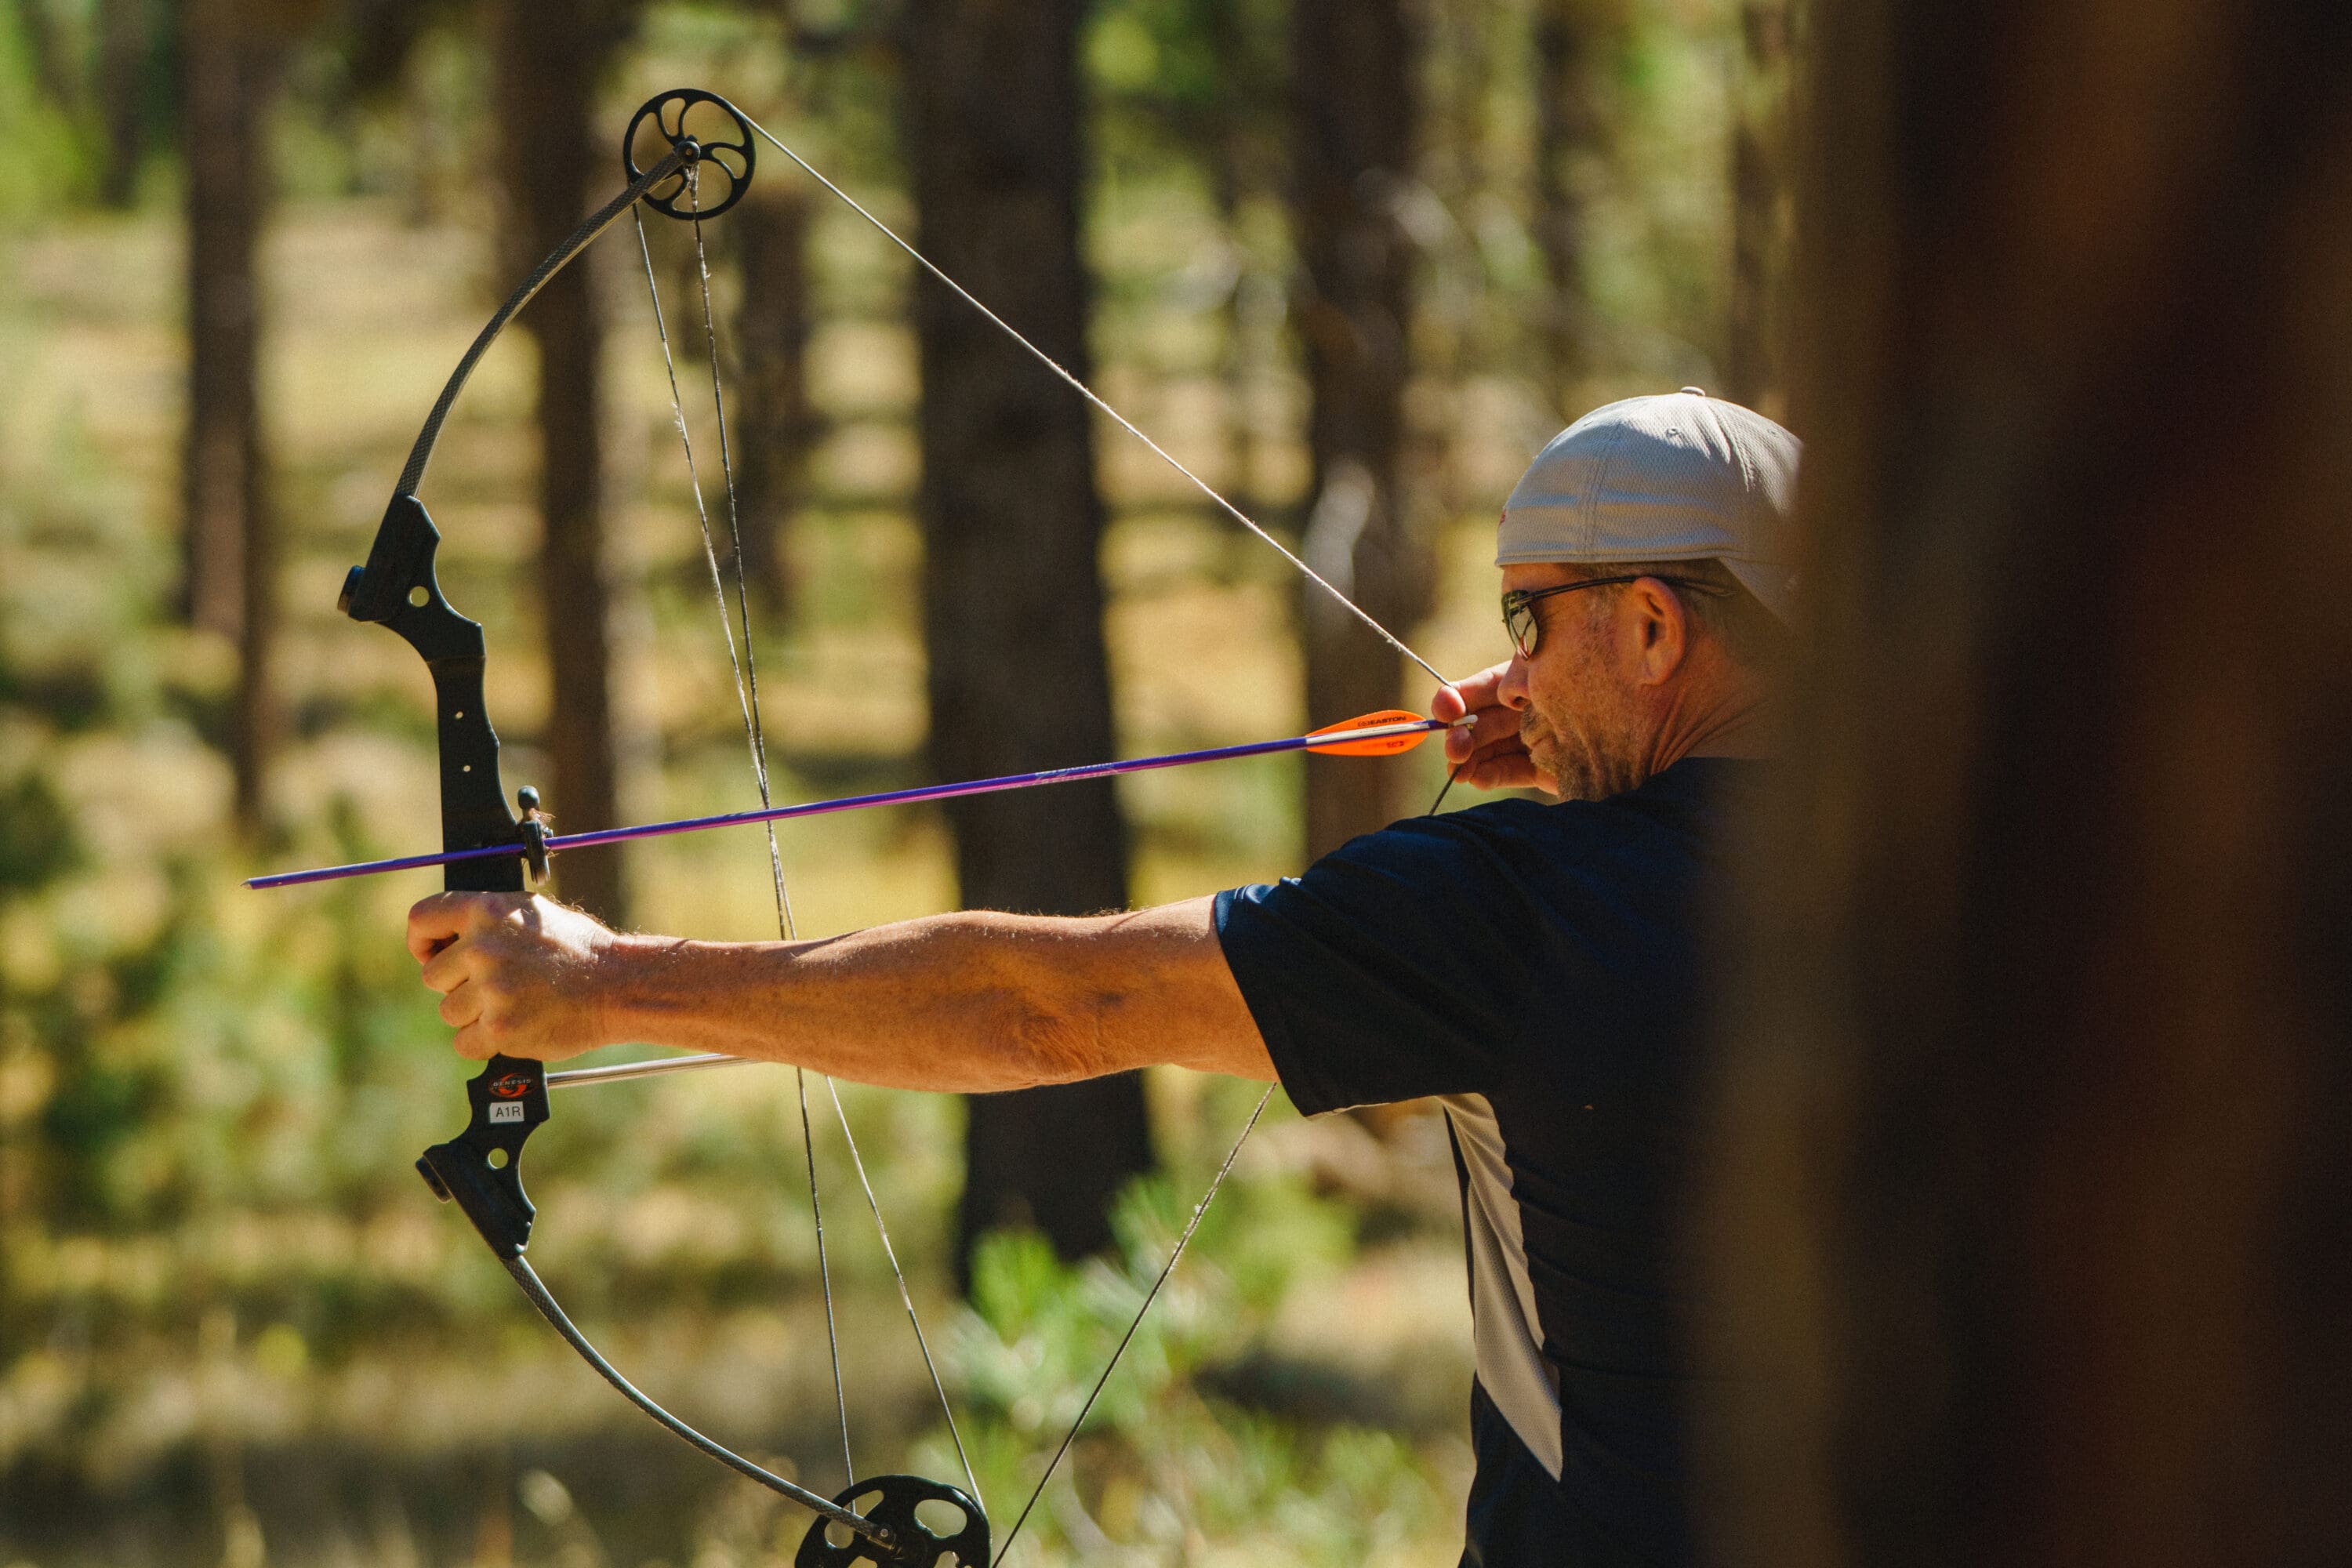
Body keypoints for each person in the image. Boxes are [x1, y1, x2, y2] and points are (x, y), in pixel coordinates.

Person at [407, 389, 1800, 1567]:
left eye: (1531, 618)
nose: (1506, 671)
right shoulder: (1972, 898)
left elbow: (1045, 1005)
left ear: (1656, 633)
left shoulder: (1516, 913)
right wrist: (1590, 746)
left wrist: (597, 984)